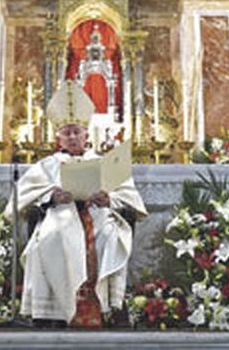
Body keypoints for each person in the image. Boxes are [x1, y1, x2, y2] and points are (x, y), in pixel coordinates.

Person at [16, 80, 144, 326]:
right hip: (60, 215)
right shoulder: (47, 165)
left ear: (87, 134)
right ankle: (57, 312)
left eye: (77, 132)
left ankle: (105, 307)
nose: (73, 137)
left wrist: (110, 199)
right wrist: (51, 197)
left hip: (97, 214)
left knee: (109, 235)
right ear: (59, 137)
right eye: (67, 132)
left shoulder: (103, 161)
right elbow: (24, 196)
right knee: (53, 236)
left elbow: (129, 196)